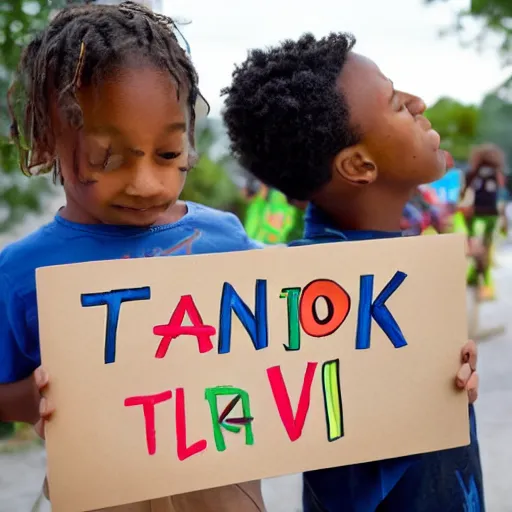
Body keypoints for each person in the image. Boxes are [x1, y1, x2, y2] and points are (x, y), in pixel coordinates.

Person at [0, 2, 265, 511]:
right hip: (102, 494)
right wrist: (37, 398)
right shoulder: (22, 273)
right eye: (109, 158)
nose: (146, 184)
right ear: (49, 140)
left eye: (168, 155)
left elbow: (314, 335)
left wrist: (428, 361)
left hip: (226, 490)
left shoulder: (226, 238)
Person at [222, 32, 481, 512]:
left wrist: (453, 377)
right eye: (395, 104)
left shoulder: (403, 266)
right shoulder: (305, 293)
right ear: (359, 165)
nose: (417, 102)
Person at [463, 144, 507, 301]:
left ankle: (476, 276)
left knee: (476, 246)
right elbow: (501, 197)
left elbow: (464, 193)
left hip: (478, 213)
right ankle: (484, 281)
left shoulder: (473, 173)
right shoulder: (497, 174)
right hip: (491, 215)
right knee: (486, 247)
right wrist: (504, 220)